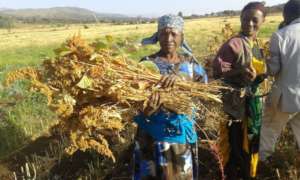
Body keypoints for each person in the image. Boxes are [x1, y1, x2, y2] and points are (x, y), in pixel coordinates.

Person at [132, 14, 207, 180]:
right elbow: (132, 101)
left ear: (182, 37)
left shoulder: (191, 64)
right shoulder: (146, 63)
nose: (169, 38)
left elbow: (204, 92)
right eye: (164, 33)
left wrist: (182, 82)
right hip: (149, 137)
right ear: (157, 36)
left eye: (174, 34)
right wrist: (146, 108)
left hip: (178, 139)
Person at [213, 2, 267, 179]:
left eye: (254, 20)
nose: (249, 24)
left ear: (263, 21)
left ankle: (247, 173)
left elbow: (259, 72)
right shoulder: (234, 44)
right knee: (236, 144)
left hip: (252, 105)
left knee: (250, 143)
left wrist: (259, 76)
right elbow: (217, 71)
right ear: (240, 20)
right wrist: (240, 72)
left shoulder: (256, 43)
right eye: (245, 19)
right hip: (235, 107)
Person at [259, 0, 300, 163]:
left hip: (285, 98)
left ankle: (263, 164)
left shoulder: (281, 35)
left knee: (268, 130)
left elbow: (273, 70)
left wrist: (262, 61)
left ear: (287, 15)